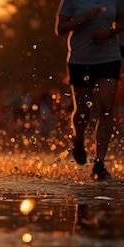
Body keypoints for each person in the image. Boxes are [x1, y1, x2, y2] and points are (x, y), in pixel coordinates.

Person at [56, 1, 124, 180]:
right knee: (83, 110)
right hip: (80, 60)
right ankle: (78, 139)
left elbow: (123, 22)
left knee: (106, 108)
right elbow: (60, 28)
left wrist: (110, 32)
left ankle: (99, 163)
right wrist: (84, 19)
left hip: (109, 59)